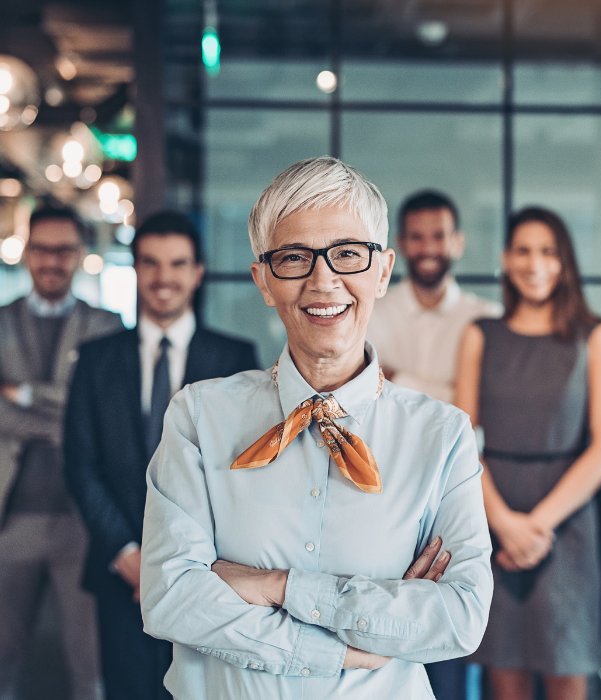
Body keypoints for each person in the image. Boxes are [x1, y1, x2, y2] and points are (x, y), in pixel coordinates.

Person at [138, 157, 493, 700]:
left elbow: (460, 617)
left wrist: (277, 586)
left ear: (382, 269)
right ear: (263, 279)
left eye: (348, 254)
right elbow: (169, 597)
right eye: (294, 258)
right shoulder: (198, 416)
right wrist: (350, 644)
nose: (323, 280)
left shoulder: (442, 435)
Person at [64, 212, 259, 700]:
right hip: (119, 570)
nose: (163, 277)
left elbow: (245, 472)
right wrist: (131, 557)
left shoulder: (236, 359)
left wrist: (190, 564)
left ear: (198, 272)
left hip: (210, 575)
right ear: (134, 269)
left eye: (177, 264)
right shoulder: (95, 359)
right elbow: (81, 466)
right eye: (150, 263)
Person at [455, 206, 601, 700]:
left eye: (549, 251)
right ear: (506, 259)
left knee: (569, 671)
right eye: (523, 250)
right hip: (493, 514)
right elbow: (461, 444)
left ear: (565, 261)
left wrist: (537, 525)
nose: (535, 263)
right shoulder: (479, 335)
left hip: (567, 524)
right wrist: (505, 523)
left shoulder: (597, 337)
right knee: (504, 677)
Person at [0, 206, 123, 700]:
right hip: (10, 520)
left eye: (64, 250)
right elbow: (74, 414)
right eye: (43, 249)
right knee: (3, 658)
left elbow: (101, 416)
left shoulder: (108, 326)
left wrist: (23, 394)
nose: (53, 260)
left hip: (83, 521)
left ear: (80, 256)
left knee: (89, 667)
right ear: (27, 253)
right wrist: (67, 410)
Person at [367, 191, 501, 404]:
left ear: (458, 243)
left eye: (438, 236)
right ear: (400, 243)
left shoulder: (488, 318)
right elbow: (358, 390)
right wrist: (454, 392)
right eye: (416, 237)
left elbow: (486, 404)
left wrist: (395, 379)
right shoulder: (370, 313)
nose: (428, 248)